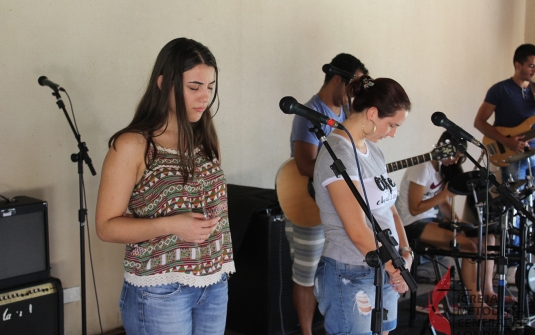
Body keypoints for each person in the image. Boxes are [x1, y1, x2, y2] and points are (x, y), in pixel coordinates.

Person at [95, 38, 234, 335]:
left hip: (213, 283)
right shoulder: (133, 145)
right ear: (164, 83)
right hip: (159, 290)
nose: (204, 97)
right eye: (194, 86)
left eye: (210, 87)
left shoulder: (205, 138)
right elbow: (106, 227)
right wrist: (172, 224)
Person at [313, 75, 412, 335]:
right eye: (391, 125)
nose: (392, 134)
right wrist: (395, 267)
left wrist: (405, 251)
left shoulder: (374, 151)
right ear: (372, 113)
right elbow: (356, 229)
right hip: (351, 271)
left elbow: (389, 208)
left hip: (386, 267)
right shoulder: (338, 152)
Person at [288, 53, 368, 335]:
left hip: (335, 206)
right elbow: (304, 164)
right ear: (337, 79)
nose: (356, 93)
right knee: (306, 273)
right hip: (308, 204)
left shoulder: (347, 116)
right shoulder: (308, 112)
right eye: (354, 85)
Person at [396, 131, 514, 319]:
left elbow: (442, 205)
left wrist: (459, 223)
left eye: (459, 158)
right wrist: (444, 195)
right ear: (444, 148)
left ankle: (489, 293)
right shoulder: (422, 168)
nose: (456, 161)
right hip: (413, 224)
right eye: (456, 156)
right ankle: (478, 307)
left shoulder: (440, 169)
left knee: (487, 237)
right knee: (469, 246)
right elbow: (415, 208)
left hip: (431, 220)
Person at [474, 43, 535, 284]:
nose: (533, 70)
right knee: (515, 207)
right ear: (517, 64)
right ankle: (512, 263)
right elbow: (479, 122)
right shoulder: (500, 90)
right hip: (509, 155)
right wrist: (507, 141)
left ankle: (526, 266)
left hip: (532, 155)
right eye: (530, 65)